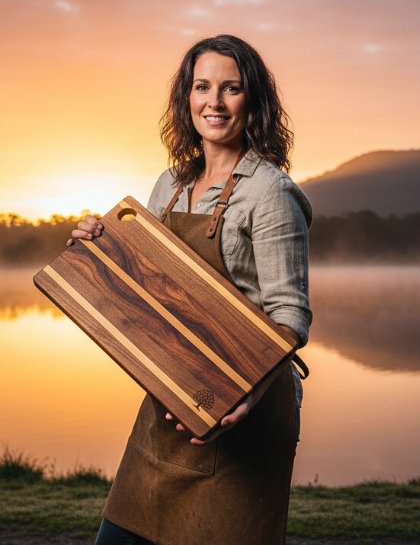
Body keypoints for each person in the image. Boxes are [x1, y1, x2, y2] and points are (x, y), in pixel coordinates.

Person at [70, 34, 312, 545]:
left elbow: (289, 317)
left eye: (231, 88)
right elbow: (145, 287)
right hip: (170, 404)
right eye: (202, 87)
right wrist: (100, 247)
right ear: (186, 98)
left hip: (244, 407)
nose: (214, 102)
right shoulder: (171, 184)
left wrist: (243, 395)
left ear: (255, 101)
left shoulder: (270, 192)